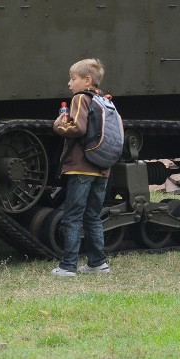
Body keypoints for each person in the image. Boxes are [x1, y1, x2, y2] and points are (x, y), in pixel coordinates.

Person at [51, 58, 111, 277]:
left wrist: (58, 124)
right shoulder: (103, 101)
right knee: (93, 216)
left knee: (73, 216)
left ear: (87, 81)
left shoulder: (80, 99)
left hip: (81, 167)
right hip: (102, 168)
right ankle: (98, 263)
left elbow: (77, 127)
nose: (69, 83)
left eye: (73, 78)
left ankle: (68, 266)